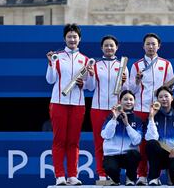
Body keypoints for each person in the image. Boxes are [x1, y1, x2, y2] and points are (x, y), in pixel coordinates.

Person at [45, 23, 94, 186]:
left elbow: (91, 87)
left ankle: (73, 175)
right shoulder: (57, 57)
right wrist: (51, 64)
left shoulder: (86, 60)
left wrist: (87, 80)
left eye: (75, 36)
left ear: (79, 39)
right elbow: (50, 80)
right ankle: (59, 176)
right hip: (58, 102)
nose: (72, 39)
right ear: (64, 39)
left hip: (78, 104)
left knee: (73, 141)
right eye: (69, 36)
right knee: (59, 140)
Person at [129, 33, 174, 185]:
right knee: (142, 145)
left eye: (153, 44)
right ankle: (141, 175)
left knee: (159, 144)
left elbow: (171, 87)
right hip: (141, 108)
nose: (150, 46)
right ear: (143, 46)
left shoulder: (166, 64)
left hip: (160, 109)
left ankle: (155, 176)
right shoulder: (136, 66)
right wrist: (136, 81)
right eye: (148, 44)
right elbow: (131, 90)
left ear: (158, 46)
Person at [86, 35, 129, 182]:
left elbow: (127, 91)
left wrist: (124, 82)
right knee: (100, 143)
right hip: (98, 108)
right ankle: (102, 175)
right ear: (101, 48)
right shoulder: (96, 65)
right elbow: (90, 87)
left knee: (116, 142)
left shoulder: (122, 65)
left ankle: (115, 175)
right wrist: (91, 76)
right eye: (106, 45)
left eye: (112, 45)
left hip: (116, 110)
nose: (109, 48)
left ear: (116, 48)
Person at [145, 86, 174, 186]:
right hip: (159, 155)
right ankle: (154, 177)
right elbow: (150, 138)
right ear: (157, 100)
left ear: (172, 98)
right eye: (160, 97)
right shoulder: (154, 117)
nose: (164, 99)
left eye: (166, 96)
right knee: (151, 144)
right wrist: (151, 118)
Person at [101, 90, 143, 186]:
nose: (128, 102)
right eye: (125, 99)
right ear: (120, 102)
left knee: (134, 154)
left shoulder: (138, 120)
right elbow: (105, 135)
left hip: (128, 155)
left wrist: (127, 124)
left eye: (131, 100)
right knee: (110, 168)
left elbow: (137, 141)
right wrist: (114, 119)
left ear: (134, 102)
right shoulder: (110, 117)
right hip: (112, 155)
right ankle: (115, 179)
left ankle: (130, 178)